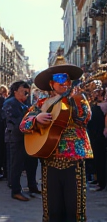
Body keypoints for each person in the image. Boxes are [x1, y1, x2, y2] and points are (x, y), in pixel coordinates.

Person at [20, 57, 93, 222]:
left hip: (73, 160)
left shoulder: (78, 98)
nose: (63, 82)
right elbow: (23, 125)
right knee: (52, 209)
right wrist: (36, 118)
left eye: (66, 78)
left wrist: (78, 100)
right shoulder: (42, 103)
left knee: (75, 209)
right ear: (51, 83)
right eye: (58, 79)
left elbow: (85, 118)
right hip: (50, 159)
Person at [2, 81, 40, 201]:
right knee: (16, 164)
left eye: (27, 91)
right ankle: (16, 191)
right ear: (16, 91)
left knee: (31, 163)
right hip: (16, 138)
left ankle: (32, 186)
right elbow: (14, 121)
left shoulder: (24, 104)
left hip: (28, 137)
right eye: (24, 91)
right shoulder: (10, 103)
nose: (26, 93)